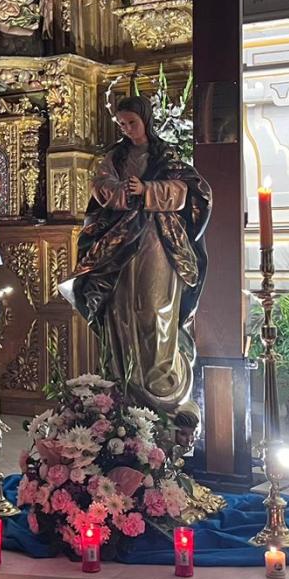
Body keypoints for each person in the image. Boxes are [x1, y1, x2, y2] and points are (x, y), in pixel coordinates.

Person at [69, 95, 210, 446]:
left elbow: (190, 191)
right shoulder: (114, 157)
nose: (127, 129)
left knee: (154, 310)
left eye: (131, 122)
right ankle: (124, 390)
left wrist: (147, 190)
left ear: (145, 120)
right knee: (121, 312)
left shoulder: (166, 156)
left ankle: (162, 390)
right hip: (119, 245)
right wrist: (121, 192)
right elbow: (100, 187)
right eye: (121, 124)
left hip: (158, 240)